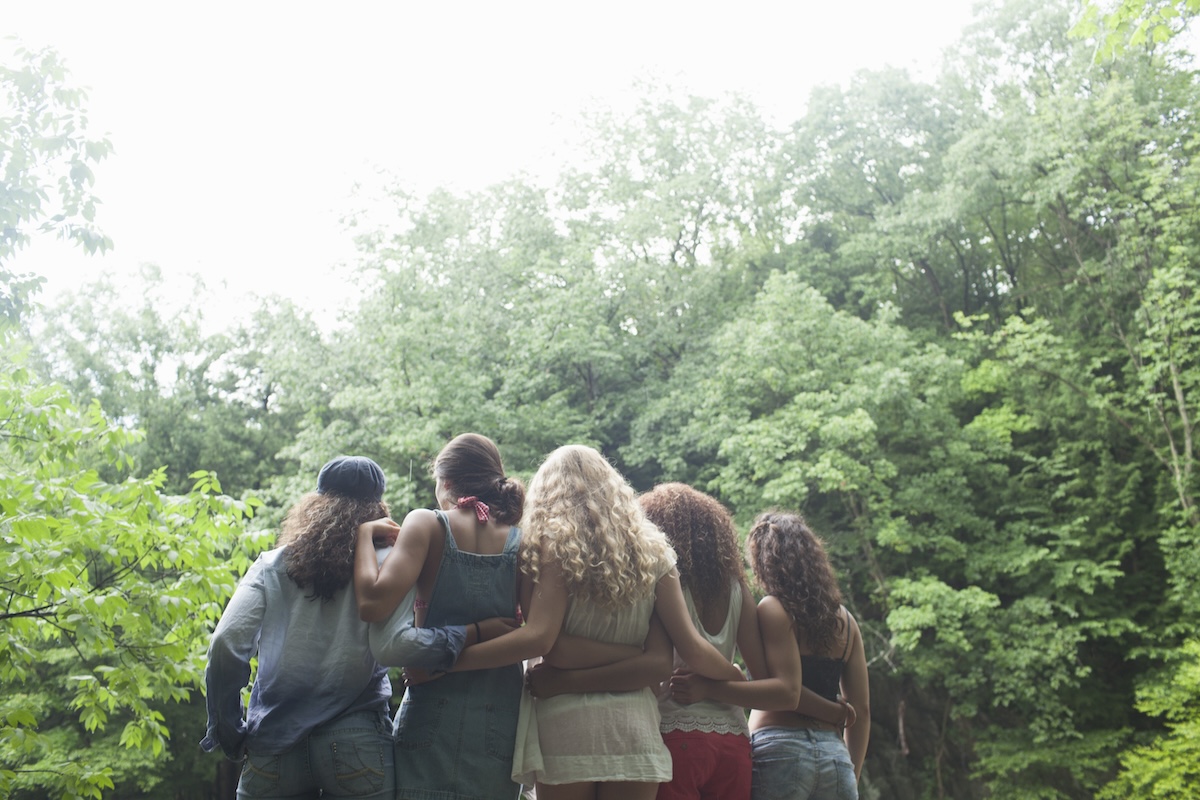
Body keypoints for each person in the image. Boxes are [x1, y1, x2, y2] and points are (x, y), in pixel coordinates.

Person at [445, 445, 746, 800]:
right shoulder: (654, 553)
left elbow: (556, 649)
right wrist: (730, 672)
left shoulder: (546, 547)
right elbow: (676, 656)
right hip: (635, 732)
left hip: (566, 729)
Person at [529, 484, 849, 800]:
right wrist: (730, 677)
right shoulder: (738, 590)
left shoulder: (665, 585)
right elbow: (774, 687)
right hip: (733, 745)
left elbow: (657, 662)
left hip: (676, 734)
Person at [201, 455, 466, 800]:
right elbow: (409, 639)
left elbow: (225, 643)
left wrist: (229, 728)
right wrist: (463, 638)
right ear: (378, 508)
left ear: (314, 505)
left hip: (273, 745)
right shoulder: (391, 566)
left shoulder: (273, 566)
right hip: (357, 743)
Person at [353, 433, 527, 800]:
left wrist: (364, 536)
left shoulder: (427, 524)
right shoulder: (523, 540)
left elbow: (371, 603)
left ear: (445, 482)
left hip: (431, 718)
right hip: (500, 723)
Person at [676, 511, 869, 800]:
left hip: (781, 751)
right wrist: (848, 771)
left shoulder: (774, 609)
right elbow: (862, 711)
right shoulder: (846, 622)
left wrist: (709, 688)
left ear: (764, 562)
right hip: (835, 756)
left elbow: (785, 690)